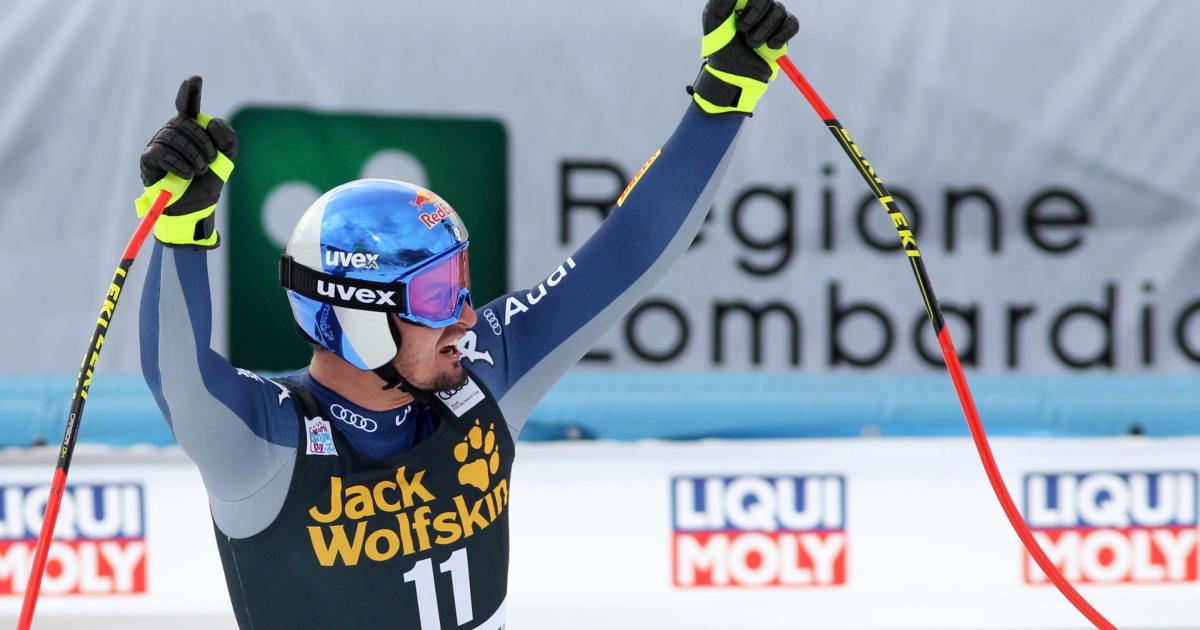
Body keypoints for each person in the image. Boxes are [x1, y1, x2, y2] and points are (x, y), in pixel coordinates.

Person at [138, 1, 798, 628]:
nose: (465, 317)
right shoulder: (263, 442)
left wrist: (724, 94)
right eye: (434, 294)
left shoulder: (480, 376)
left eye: (461, 282)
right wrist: (183, 231)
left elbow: (626, 253)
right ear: (357, 310)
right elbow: (180, 378)